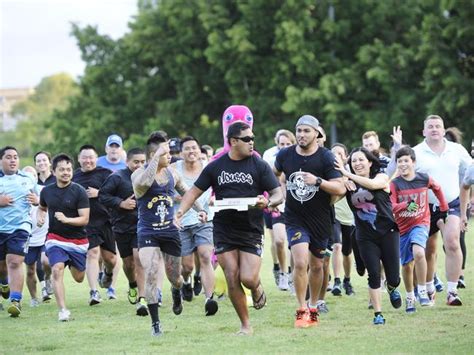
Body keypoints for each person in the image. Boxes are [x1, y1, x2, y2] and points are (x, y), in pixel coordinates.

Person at [176, 121, 283, 335]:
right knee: (232, 276)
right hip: (224, 229)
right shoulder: (216, 166)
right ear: (233, 142)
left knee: (248, 278)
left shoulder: (259, 165)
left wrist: (268, 203)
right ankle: (245, 325)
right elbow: (193, 192)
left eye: (253, 138)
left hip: (251, 229)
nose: (252, 142)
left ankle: (257, 286)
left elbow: (277, 194)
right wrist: (179, 213)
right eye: (247, 139)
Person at [274, 115, 345, 328]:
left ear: (317, 133)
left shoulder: (326, 157)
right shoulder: (285, 155)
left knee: (316, 266)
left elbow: (340, 187)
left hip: (321, 219)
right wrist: (280, 192)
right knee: (300, 261)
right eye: (299, 130)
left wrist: (318, 181)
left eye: (306, 131)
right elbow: (274, 174)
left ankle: (313, 307)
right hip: (295, 218)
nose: (301, 135)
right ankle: (301, 308)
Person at [131, 132, 200, 337]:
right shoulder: (138, 174)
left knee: (176, 278)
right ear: (154, 154)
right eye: (165, 153)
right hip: (147, 232)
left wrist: (200, 210)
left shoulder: (172, 173)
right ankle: (156, 324)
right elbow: (142, 185)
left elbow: (188, 193)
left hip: (170, 231)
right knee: (151, 273)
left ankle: (177, 291)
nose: (170, 157)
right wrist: (154, 158)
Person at [335, 147, 401, 325]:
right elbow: (331, 199)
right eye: (354, 161)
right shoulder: (348, 184)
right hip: (365, 236)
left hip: (388, 232)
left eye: (361, 160)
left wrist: (347, 175)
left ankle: (392, 287)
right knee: (373, 273)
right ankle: (378, 314)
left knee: (394, 276)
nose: (357, 163)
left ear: (370, 162)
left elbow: (372, 186)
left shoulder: (381, 177)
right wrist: (342, 180)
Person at [413, 115, 471, 305]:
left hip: (451, 204)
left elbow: (468, 175)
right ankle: (428, 287)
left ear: (444, 129)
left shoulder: (456, 150)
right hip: (424, 207)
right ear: (424, 132)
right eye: (430, 126)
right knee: (428, 249)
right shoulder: (416, 152)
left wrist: (465, 207)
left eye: (438, 126)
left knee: (453, 242)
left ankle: (452, 292)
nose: (434, 129)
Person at [390, 146, 448, 312]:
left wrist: (443, 207)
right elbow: (392, 206)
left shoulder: (424, 178)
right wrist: (406, 204)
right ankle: (410, 297)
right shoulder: (395, 184)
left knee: (419, 253)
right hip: (402, 227)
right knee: (407, 265)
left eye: (406, 161)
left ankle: (422, 291)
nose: (402, 164)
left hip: (421, 223)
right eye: (399, 161)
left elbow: (437, 188)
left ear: (413, 162)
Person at [37, 154, 90, 321]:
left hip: (78, 241)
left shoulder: (79, 191)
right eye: (62, 170)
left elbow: (84, 219)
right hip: (55, 238)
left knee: (79, 278)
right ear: (54, 171)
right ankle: (63, 311)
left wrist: (67, 219)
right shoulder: (46, 191)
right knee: (57, 268)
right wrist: (40, 215)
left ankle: (70, 263)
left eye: (68, 169)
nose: (66, 172)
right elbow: (42, 207)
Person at [171, 136, 218, 315]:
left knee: (206, 256)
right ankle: (187, 281)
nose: (191, 151)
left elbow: (217, 189)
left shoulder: (209, 169)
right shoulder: (173, 170)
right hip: (181, 221)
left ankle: (209, 299)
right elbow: (163, 192)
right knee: (187, 266)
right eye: (187, 149)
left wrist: (214, 199)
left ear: (200, 151)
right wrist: (174, 198)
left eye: (194, 148)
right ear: (181, 153)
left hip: (204, 219)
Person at [99, 147, 149, 316]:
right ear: (127, 161)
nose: (139, 165)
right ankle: (133, 284)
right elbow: (102, 196)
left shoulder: (148, 177)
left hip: (142, 226)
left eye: (143, 162)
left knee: (139, 259)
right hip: (121, 227)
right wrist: (121, 203)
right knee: (128, 264)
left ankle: (142, 299)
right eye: (136, 162)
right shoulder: (117, 177)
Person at [73, 145, 117, 305]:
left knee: (110, 259)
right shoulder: (74, 177)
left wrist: (99, 193)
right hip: (86, 223)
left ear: (96, 158)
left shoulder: (105, 174)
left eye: (91, 157)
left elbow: (118, 193)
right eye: (84, 157)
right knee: (92, 253)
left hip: (106, 222)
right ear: (79, 159)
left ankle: (108, 273)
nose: (87, 161)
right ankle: (94, 292)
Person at [0, 146, 39, 317]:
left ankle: (16, 300)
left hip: (21, 227)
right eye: (8, 157)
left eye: (15, 157)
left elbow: (40, 200)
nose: (13, 160)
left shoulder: (28, 178)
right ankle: (3, 283)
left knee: (15, 262)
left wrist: (37, 200)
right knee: (2, 267)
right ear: (1, 160)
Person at [262, 129, 296, 290]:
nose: (285, 147)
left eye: (288, 144)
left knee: (294, 243)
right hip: (276, 202)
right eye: (282, 144)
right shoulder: (269, 156)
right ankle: (282, 271)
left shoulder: (298, 156)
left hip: (294, 204)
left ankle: (292, 275)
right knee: (278, 240)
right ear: (277, 144)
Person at [330, 143, 357, 296]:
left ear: (346, 158)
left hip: (350, 218)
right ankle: (337, 281)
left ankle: (347, 280)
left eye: (340, 154)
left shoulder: (352, 174)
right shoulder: (328, 173)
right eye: (334, 154)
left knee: (347, 252)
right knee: (337, 246)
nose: (337, 157)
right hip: (334, 216)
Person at [22, 166, 50, 306]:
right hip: (28, 238)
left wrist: (38, 202)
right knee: (30, 270)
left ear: (36, 177)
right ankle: (34, 298)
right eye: (26, 175)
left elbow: (52, 205)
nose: (30, 177)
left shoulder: (44, 190)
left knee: (46, 262)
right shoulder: (18, 192)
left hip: (45, 235)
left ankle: (48, 282)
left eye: (33, 175)